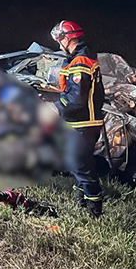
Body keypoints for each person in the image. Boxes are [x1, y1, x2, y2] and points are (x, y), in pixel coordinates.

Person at [50, 20, 106, 217]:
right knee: (79, 162)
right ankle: (81, 201)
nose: (59, 45)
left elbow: (77, 98)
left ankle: (94, 208)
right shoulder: (80, 58)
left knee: (79, 163)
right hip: (82, 122)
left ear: (68, 39)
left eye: (60, 40)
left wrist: (56, 106)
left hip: (84, 122)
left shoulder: (81, 61)